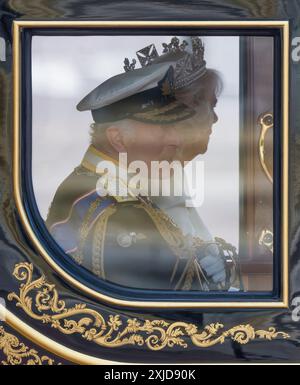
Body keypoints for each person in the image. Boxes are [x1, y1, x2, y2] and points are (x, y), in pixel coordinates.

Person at [46, 37, 240, 291]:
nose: (175, 138)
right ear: (118, 139)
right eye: (162, 128)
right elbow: (166, 312)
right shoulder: (118, 212)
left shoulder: (117, 188)